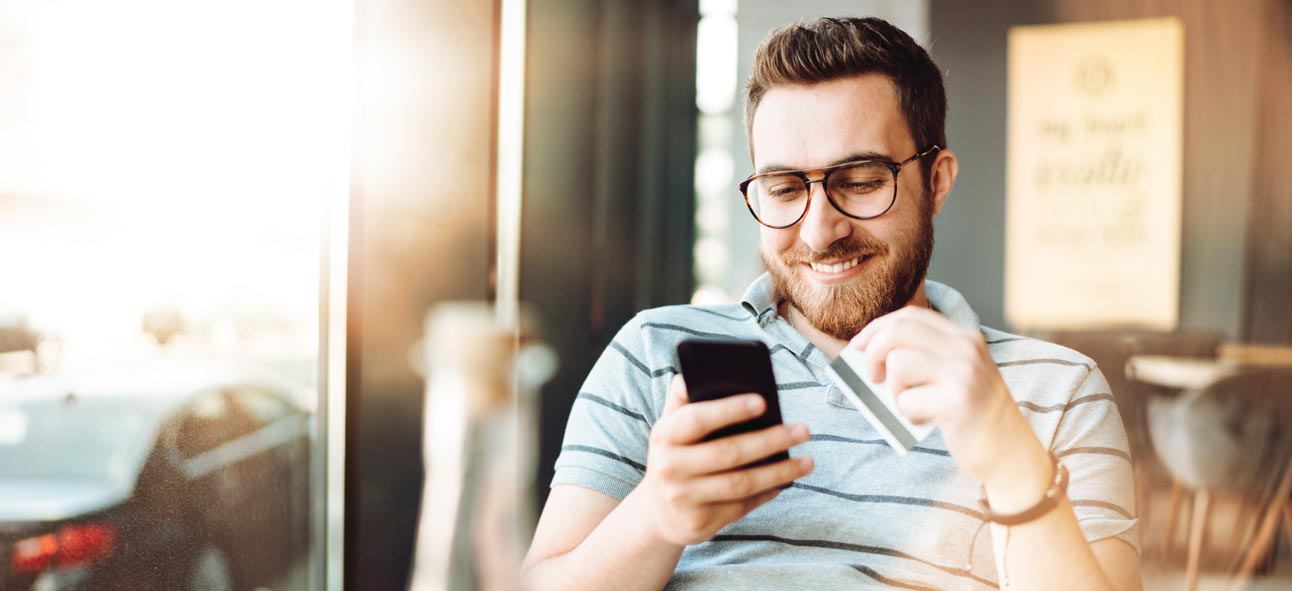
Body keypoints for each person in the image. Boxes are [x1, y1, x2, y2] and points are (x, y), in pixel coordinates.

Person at [523, 16, 1141, 591]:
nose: (820, 232)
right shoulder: (654, 353)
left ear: (937, 182)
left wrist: (1012, 464)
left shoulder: (1055, 389)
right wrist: (655, 517)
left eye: (862, 181)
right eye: (783, 189)